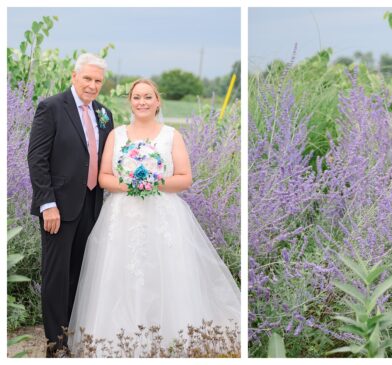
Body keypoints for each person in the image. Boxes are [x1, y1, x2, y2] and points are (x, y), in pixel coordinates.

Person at [67, 79, 240, 357]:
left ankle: (170, 336)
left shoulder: (171, 135)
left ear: (158, 101)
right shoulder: (117, 135)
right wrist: (134, 185)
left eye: (148, 97)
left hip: (164, 215)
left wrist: (152, 182)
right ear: (130, 102)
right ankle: (118, 340)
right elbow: (104, 178)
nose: (142, 102)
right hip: (122, 215)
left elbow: (184, 178)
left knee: (165, 272)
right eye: (137, 97)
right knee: (121, 272)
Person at [27, 53, 114, 357]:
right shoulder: (51, 107)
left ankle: (74, 338)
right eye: (87, 78)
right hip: (59, 209)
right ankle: (56, 347)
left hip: (92, 205)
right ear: (74, 76)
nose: (92, 85)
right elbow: (36, 159)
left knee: (81, 274)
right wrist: (47, 204)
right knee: (57, 276)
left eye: (98, 81)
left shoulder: (104, 114)